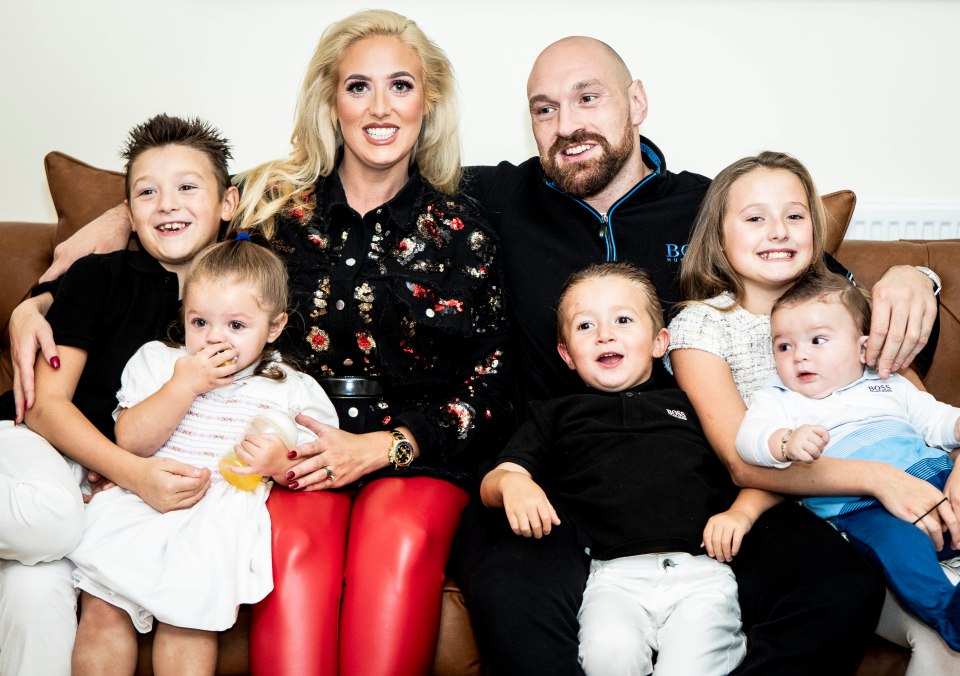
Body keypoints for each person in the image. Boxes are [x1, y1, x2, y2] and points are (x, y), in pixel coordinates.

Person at [7, 11, 512, 674]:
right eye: (358, 87)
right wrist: (39, 296)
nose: (380, 107)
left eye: (401, 86)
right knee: (294, 552)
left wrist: (386, 446)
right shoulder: (276, 202)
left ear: (430, 99)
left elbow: (492, 379)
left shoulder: (463, 225)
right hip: (285, 453)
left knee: (395, 541)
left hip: (407, 451)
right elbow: (180, 203)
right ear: (331, 102)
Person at [453, 37, 940, 676]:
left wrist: (913, 273)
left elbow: (822, 302)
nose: (567, 125)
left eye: (588, 98)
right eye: (545, 109)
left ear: (636, 102)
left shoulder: (711, 206)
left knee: (835, 583)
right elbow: (386, 167)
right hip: (561, 476)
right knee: (512, 594)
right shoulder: (496, 199)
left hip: (704, 475)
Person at [666, 151, 960, 674]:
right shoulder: (702, 324)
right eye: (755, 218)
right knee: (916, 623)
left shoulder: (852, 308)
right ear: (718, 237)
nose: (777, 231)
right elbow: (743, 460)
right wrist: (881, 480)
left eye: (794, 216)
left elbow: (916, 409)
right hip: (817, 510)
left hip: (925, 478)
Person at [0, 113, 238, 675]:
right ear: (128, 213)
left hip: (83, 484)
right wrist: (133, 475)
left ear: (228, 204)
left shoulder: (242, 296)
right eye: (147, 192)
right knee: (56, 521)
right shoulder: (100, 277)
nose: (167, 204)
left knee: (38, 595)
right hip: (26, 447)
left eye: (187, 187)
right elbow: (43, 406)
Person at [68, 236, 338, 674]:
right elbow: (131, 442)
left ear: (273, 326)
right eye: (199, 322)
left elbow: (319, 462)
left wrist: (278, 463)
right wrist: (182, 386)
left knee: (188, 623)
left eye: (236, 325)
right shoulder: (159, 363)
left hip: (217, 520)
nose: (214, 338)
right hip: (141, 505)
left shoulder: (290, 386)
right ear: (184, 316)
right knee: (102, 608)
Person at [482, 262, 748, 675]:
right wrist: (514, 485)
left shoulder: (689, 405)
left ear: (661, 342)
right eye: (585, 326)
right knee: (608, 655)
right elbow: (496, 478)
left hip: (700, 573)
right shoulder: (557, 414)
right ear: (566, 355)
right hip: (613, 578)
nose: (605, 334)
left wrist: (739, 513)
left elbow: (745, 466)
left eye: (623, 320)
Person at [736, 270, 960, 652]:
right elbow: (748, 442)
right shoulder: (779, 399)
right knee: (900, 547)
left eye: (817, 340)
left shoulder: (888, 382)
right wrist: (785, 442)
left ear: (863, 348)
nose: (799, 354)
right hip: (862, 508)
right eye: (784, 346)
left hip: (933, 477)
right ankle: (946, 611)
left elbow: (937, 422)